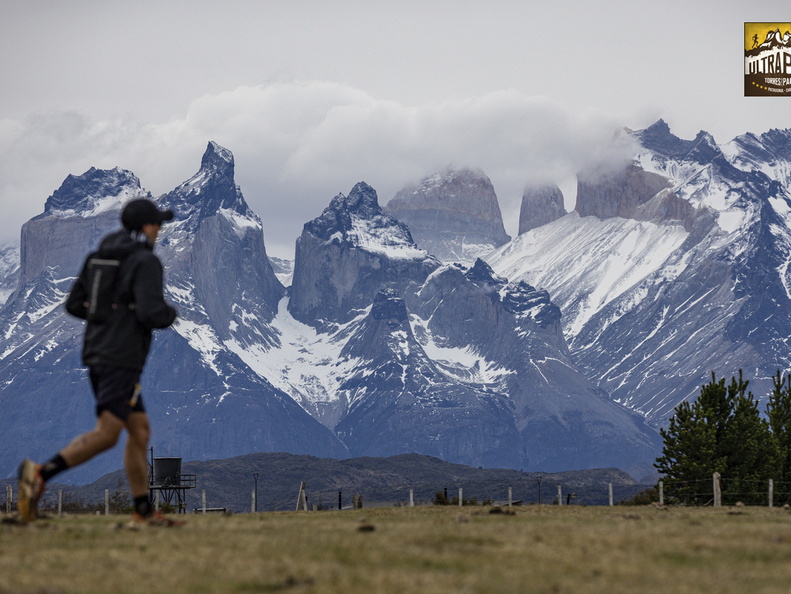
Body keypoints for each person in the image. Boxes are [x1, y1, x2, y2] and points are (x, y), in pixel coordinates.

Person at [18, 198, 181, 528]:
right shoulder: (145, 262)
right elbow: (152, 313)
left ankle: (143, 513)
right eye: (157, 225)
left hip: (97, 352)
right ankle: (39, 474)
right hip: (122, 359)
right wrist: (170, 314)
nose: (159, 231)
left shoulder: (98, 257)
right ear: (146, 228)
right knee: (108, 434)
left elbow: (75, 305)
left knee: (139, 430)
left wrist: (107, 316)